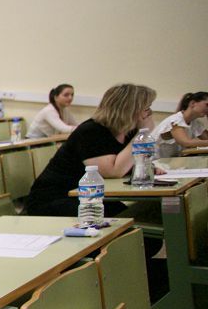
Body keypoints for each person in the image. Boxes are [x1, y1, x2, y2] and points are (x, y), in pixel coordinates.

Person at [26, 83, 156, 217]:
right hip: (54, 199)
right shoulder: (91, 131)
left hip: (87, 196)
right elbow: (113, 171)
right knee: (126, 217)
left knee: (145, 210)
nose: (149, 114)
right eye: (146, 109)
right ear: (129, 110)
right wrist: (141, 134)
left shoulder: (127, 131)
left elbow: (129, 163)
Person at [150, 91, 208, 158]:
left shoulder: (195, 123)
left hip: (169, 163)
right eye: (207, 105)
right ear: (193, 103)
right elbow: (186, 143)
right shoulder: (176, 120)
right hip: (153, 162)